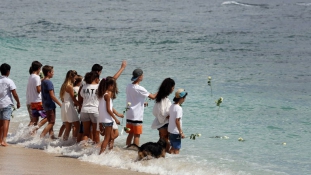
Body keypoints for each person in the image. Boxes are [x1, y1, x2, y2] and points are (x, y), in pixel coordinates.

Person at [78, 61, 127, 144]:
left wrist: (80, 106)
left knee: (85, 133)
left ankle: (82, 149)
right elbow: (113, 79)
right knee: (96, 133)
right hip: (95, 111)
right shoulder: (99, 85)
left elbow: (80, 97)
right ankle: (95, 152)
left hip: (84, 110)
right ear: (97, 74)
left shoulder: (84, 84)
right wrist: (122, 68)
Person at [125, 69, 157, 146]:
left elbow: (133, 98)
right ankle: (135, 151)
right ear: (139, 77)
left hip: (129, 113)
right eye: (142, 75)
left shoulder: (128, 86)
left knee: (130, 133)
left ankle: (127, 148)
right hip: (136, 115)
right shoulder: (140, 88)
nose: (143, 76)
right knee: (137, 134)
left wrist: (142, 103)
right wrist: (161, 90)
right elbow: (153, 97)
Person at [97, 76, 123, 154]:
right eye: (113, 85)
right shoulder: (107, 96)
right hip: (108, 119)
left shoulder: (101, 95)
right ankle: (101, 154)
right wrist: (116, 119)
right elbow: (109, 109)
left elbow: (101, 108)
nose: (113, 87)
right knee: (107, 138)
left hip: (102, 118)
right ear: (109, 85)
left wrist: (117, 114)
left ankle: (108, 152)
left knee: (111, 137)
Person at [151, 78, 175, 152]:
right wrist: (168, 116)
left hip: (161, 122)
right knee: (165, 142)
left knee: (162, 142)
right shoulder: (163, 99)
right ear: (169, 88)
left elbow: (155, 111)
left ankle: (160, 158)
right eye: (173, 87)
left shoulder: (160, 98)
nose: (173, 89)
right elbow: (162, 112)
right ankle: (163, 158)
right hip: (164, 123)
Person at [0, 63, 21, 146]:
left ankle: (0, 140)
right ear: (8, 72)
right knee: (6, 122)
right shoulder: (9, 81)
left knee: (0, 123)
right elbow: (14, 94)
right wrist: (18, 102)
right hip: (6, 103)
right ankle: (4, 141)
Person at [40, 65, 62, 139]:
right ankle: (41, 136)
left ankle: (51, 136)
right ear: (48, 73)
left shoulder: (43, 81)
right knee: (52, 122)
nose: (53, 73)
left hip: (45, 103)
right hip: (49, 104)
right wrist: (60, 104)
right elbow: (52, 96)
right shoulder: (48, 82)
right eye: (52, 72)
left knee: (50, 121)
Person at [26, 61, 47, 131]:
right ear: (38, 68)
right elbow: (38, 90)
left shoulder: (31, 76)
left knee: (34, 120)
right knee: (48, 117)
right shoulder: (37, 77)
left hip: (31, 101)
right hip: (37, 101)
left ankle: (27, 133)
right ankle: (34, 130)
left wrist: (42, 79)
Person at [60, 70, 80, 141]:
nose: (75, 79)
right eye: (75, 77)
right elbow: (74, 99)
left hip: (64, 105)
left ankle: (64, 142)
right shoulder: (69, 86)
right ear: (71, 77)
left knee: (68, 126)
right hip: (69, 106)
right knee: (77, 125)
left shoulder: (64, 85)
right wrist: (80, 105)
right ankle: (74, 141)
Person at [168, 89, 188, 154]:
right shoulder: (179, 108)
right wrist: (181, 132)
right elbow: (177, 121)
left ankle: (168, 159)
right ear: (181, 98)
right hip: (176, 132)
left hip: (170, 130)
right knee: (177, 148)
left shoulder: (172, 106)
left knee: (173, 147)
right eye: (184, 97)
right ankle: (175, 162)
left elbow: (170, 117)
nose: (185, 99)